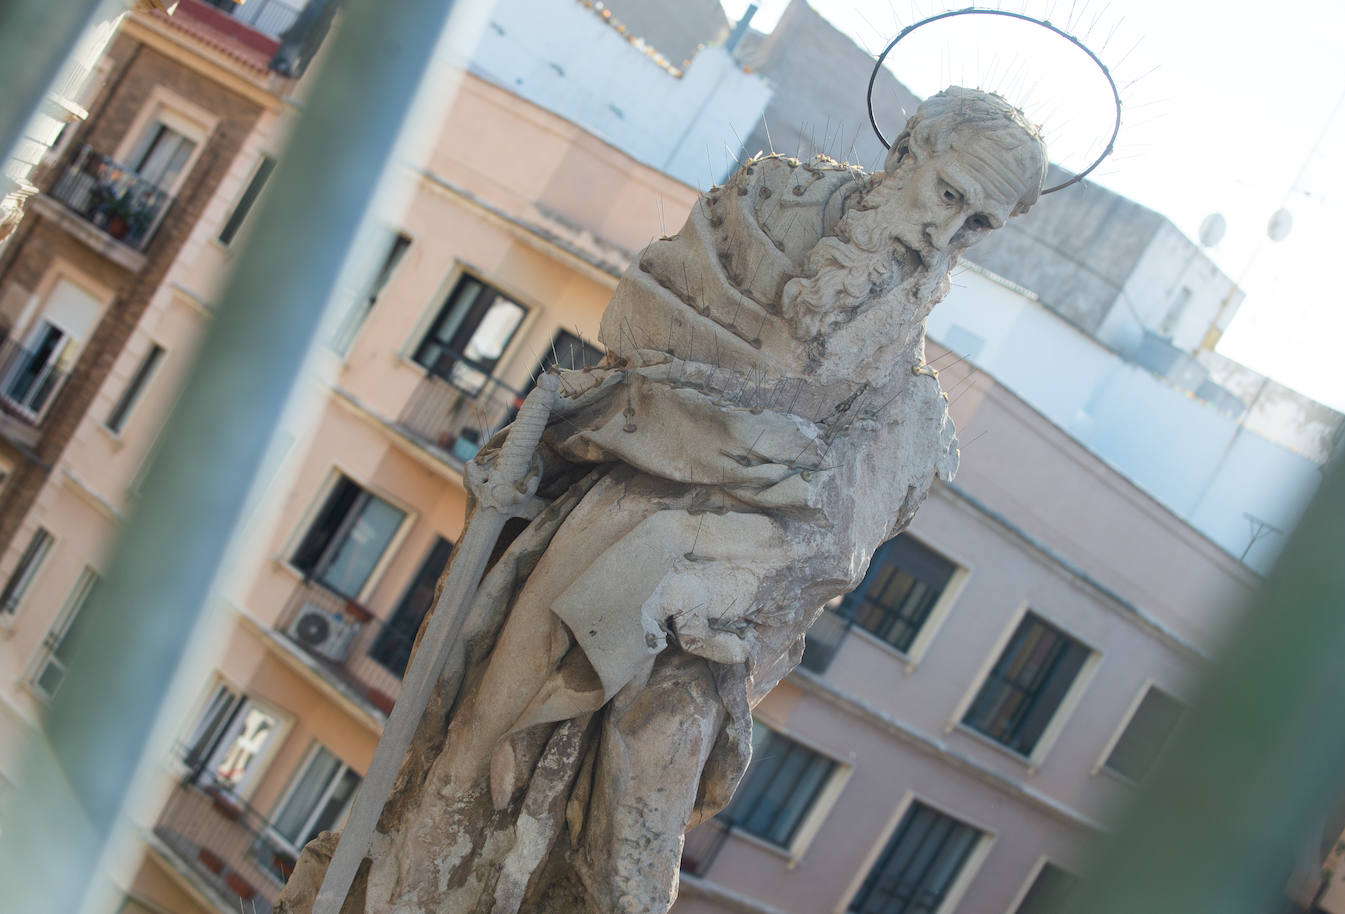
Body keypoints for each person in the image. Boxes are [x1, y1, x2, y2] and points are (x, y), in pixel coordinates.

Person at [277, 86, 1047, 914]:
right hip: (612, 527)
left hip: (716, 607)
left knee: (644, 810)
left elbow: (832, 537)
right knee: (478, 760)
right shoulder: (758, 207)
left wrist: (740, 521)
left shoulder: (908, 396)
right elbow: (646, 333)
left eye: (978, 228)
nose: (946, 234)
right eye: (950, 196)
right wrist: (749, 451)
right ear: (907, 153)